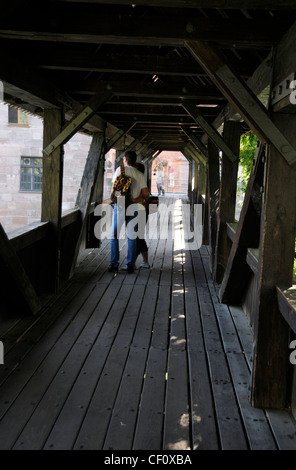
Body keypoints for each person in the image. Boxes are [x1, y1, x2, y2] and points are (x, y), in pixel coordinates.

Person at [109, 151, 149, 274]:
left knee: (114, 235)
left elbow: (114, 189)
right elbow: (146, 195)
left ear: (125, 159)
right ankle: (130, 264)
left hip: (120, 205)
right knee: (132, 236)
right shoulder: (140, 175)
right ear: (135, 160)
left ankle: (114, 264)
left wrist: (114, 200)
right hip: (135, 207)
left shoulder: (119, 170)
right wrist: (134, 199)